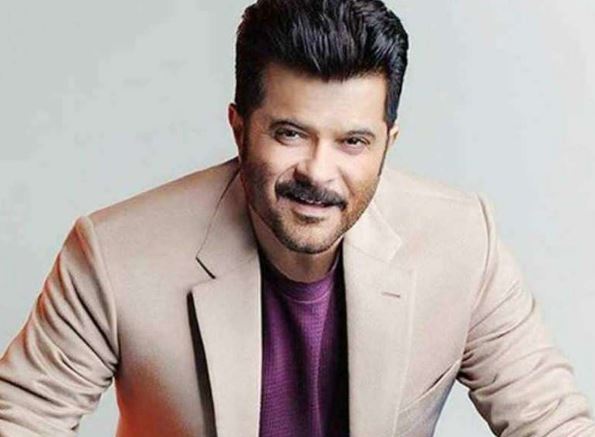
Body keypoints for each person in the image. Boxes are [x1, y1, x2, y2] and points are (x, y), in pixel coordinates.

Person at [1, 0, 594, 436]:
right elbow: (21, 419)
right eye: (290, 133)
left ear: (388, 143)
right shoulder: (114, 255)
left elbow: (551, 421)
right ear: (239, 128)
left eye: (353, 142)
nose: (318, 171)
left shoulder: (461, 242)